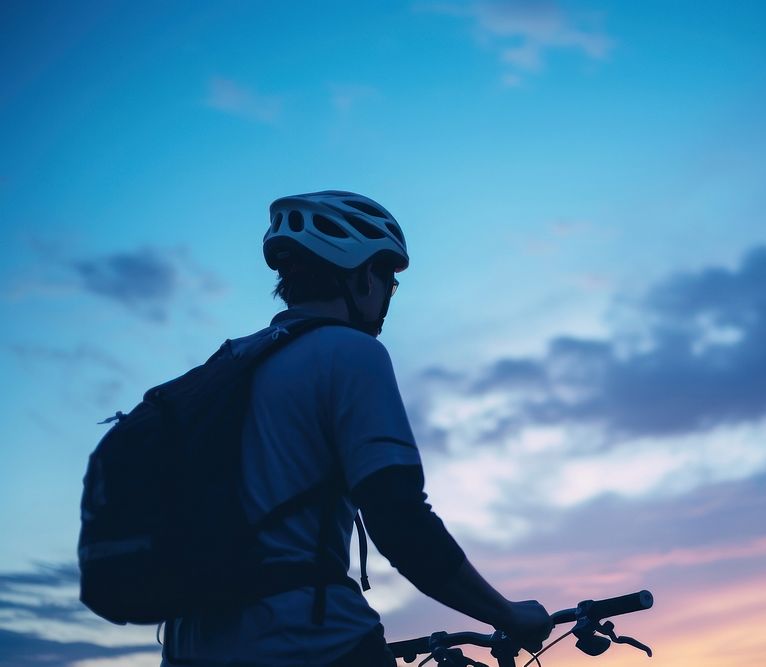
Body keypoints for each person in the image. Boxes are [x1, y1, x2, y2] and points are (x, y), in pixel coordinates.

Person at [162, 190, 552, 666]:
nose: (388, 295)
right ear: (365, 275)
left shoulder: (230, 363)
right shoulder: (349, 353)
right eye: (389, 281)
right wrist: (505, 612)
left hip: (193, 643)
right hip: (306, 638)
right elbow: (399, 518)